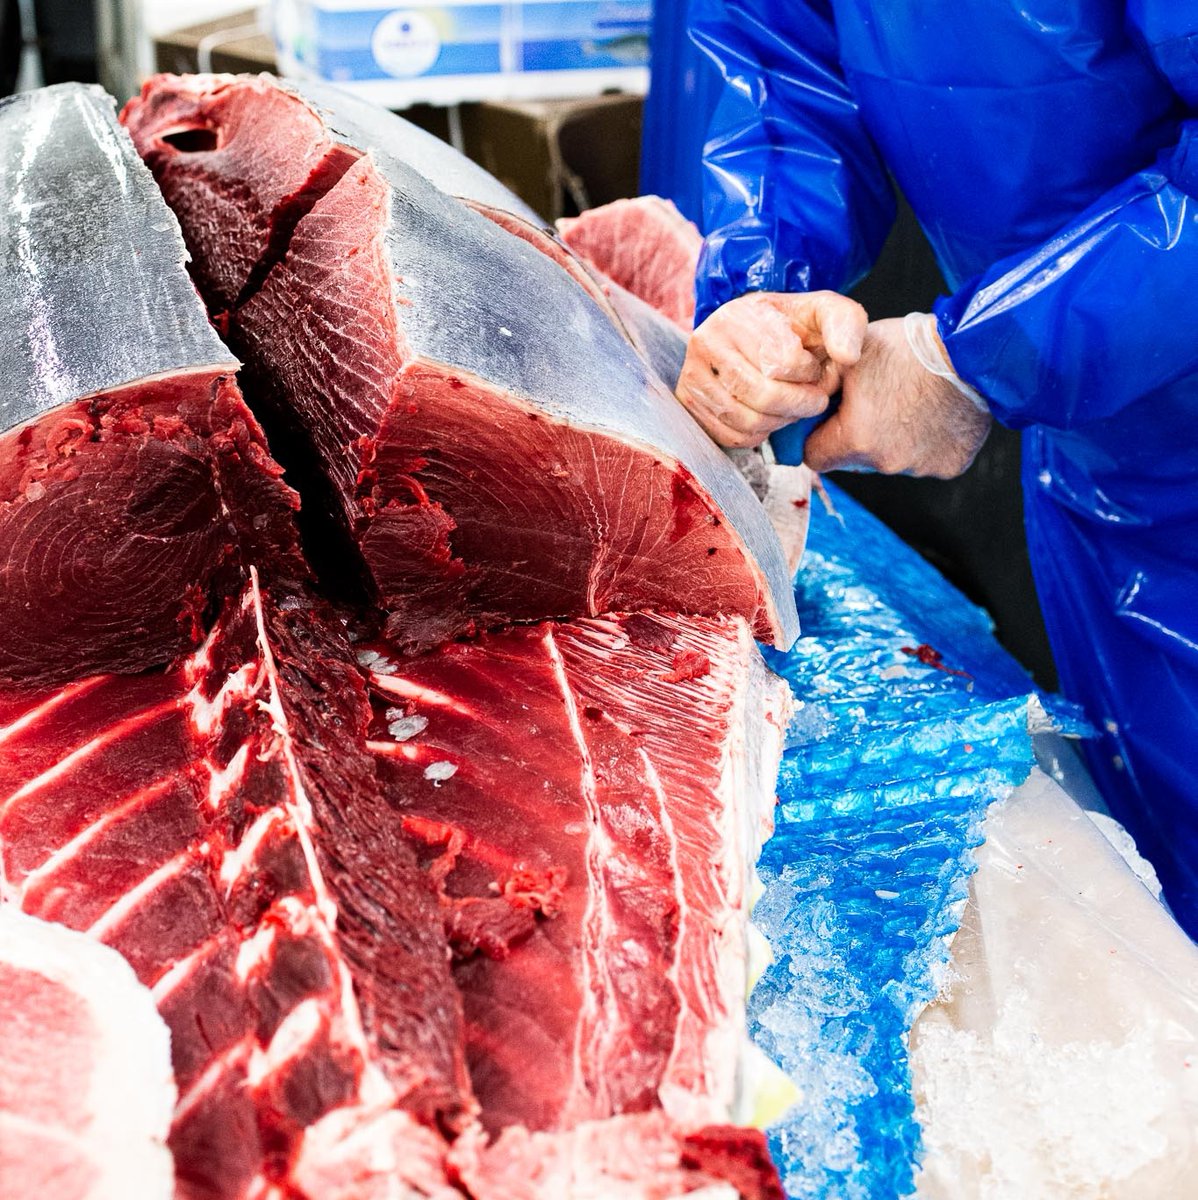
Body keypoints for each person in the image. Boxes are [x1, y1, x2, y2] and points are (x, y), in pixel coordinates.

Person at [675, 3, 1198, 935]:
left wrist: (985, 356)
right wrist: (765, 288)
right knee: (1162, 890)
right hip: (1098, 460)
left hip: (1111, 383)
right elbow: (786, 65)